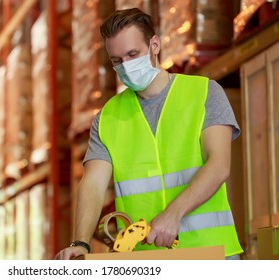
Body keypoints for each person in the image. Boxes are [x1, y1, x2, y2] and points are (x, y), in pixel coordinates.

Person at [55, 8, 243, 260]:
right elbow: (93, 184)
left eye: (133, 54)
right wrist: (81, 242)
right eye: (117, 61)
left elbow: (219, 164)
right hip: (144, 261)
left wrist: (173, 214)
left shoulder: (204, 93)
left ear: (154, 45)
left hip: (211, 254)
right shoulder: (107, 117)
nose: (127, 66)